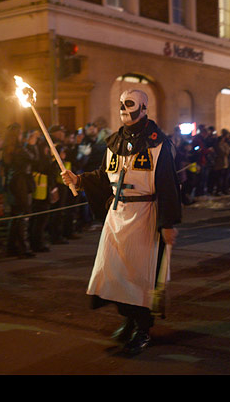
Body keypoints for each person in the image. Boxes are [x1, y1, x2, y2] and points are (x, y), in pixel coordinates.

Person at [61, 88, 182, 355]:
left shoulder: (159, 145)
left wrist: (168, 223)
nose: (124, 108)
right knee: (114, 274)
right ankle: (128, 320)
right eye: (121, 103)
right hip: (117, 218)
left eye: (130, 104)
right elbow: (105, 176)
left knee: (139, 277)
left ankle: (142, 329)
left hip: (144, 218)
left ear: (143, 107)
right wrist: (79, 180)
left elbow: (168, 185)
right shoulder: (113, 142)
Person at [2, 123, 37, 258]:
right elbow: (34, 158)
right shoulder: (20, 150)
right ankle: (23, 247)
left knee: (16, 215)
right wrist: (31, 144)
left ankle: (11, 246)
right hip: (21, 183)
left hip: (13, 183)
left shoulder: (7, 150)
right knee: (23, 215)